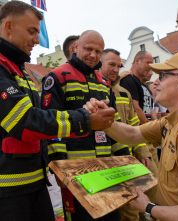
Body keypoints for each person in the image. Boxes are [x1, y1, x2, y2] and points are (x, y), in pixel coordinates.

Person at [0, 2, 115, 221]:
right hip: (9, 190)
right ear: (8, 26)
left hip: (33, 183)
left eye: (98, 51)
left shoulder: (19, 70)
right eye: (32, 31)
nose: (37, 39)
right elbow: (27, 121)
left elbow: (44, 119)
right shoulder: (7, 69)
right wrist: (86, 119)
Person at [85, 52, 178, 221]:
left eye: (163, 76)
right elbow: (132, 134)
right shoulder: (175, 120)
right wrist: (100, 118)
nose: (155, 82)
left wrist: (148, 207)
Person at [41, 30, 130, 221]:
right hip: (75, 172)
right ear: (76, 48)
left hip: (107, 170)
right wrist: (59, 165)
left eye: (98, 51)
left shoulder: (105, 84)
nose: (93, 55)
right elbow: (50, 124)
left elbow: (114, 124)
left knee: (111, 217)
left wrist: (125, 158)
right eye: (88, 49)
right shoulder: (57, 77)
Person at [99, 48, 154, 221]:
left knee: (133, 208)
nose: (116, 69)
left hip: (128, 159)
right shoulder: (94, 90)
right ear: (100, 64)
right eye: (111, 65)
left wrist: (143, 151)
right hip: (105, 162)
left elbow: (134, 125)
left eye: (119, 65)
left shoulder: (124, 93)